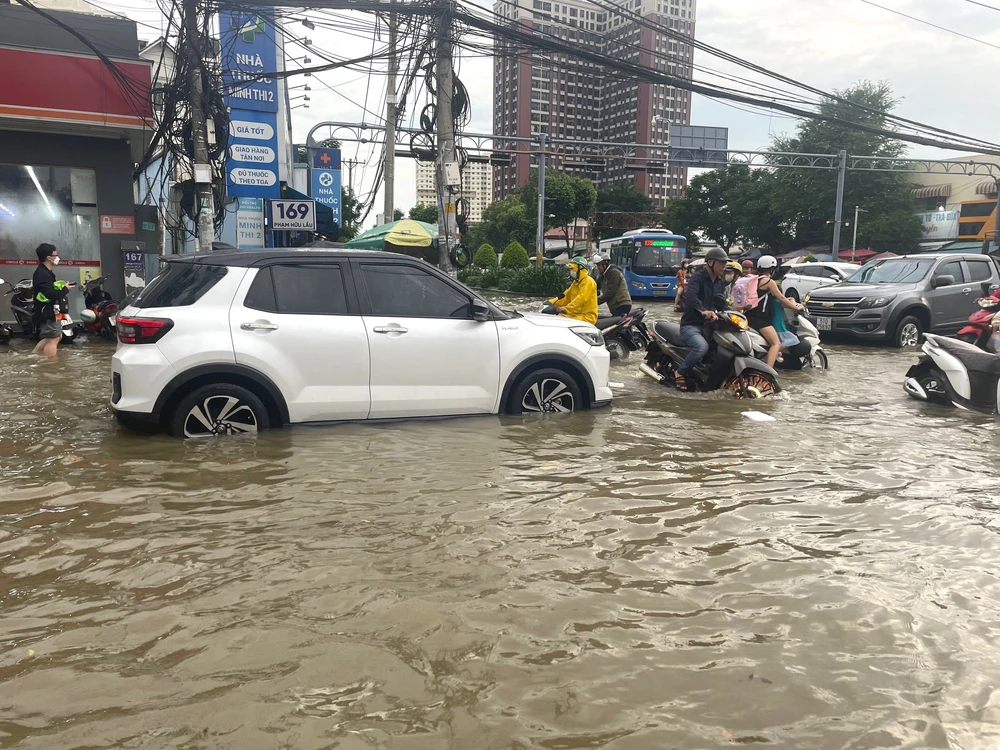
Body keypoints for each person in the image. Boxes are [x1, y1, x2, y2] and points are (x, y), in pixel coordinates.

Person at [675, 248, 729, 391]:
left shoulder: (719, 282)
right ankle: (680, 372)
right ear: (710, 262)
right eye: (721, 263)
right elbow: (691, 298)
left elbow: (722, 303)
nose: (723, 267)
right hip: (691, 325)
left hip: (710, 327)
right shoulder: (697, 278)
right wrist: (703, 311)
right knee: (701, 347)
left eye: (725, 264)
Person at [747, 255, 804, 368]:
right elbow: (781, 298)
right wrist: (796, 308)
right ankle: (767, 371)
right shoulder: (768, 281)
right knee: (776, 343)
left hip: (748, 317)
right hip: (761, 320)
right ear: (772, 269)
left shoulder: (753, 280)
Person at [31, 243, 75, 357]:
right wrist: (65, 289)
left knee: (56, 336)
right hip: (47, 311)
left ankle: (33, 357)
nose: (57, 257)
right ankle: (50, 366)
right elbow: (49, 293)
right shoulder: (42, 273)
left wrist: (62, 287)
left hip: (53, 310)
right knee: (52, 339)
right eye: (56, 255)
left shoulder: (46, 272)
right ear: (49, 257)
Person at [549, 256, 598, 325]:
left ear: (580, 269)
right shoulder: (576, 283)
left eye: (572, 269)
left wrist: (565, 309)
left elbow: (581, 299)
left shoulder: (588, 281)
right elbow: (565, 296)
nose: (570, 271)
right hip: (575, 315)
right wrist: (551, 302)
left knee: (560, 321)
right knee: (555, 318)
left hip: (587, 317)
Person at [591, 253, 631, 317]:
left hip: (621, 305)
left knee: (614, 326)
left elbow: (610, 292)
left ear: (605, 264)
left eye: (599, 265)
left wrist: (596, 302)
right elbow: (595, 285)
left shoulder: (614, 273)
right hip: (615, 306)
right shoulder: (604, 274)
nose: (598, 268)